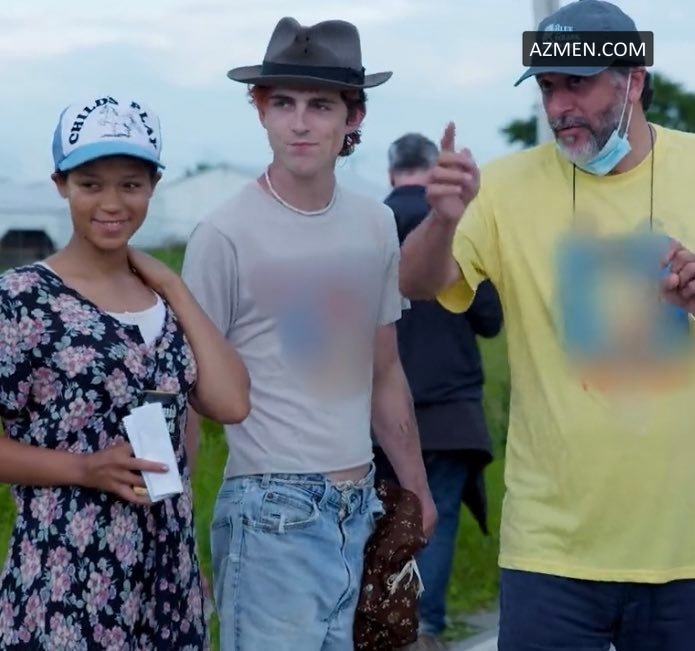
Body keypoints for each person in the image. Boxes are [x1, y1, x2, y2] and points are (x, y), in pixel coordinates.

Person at [397, 1, 695, 649]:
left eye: (577, 84)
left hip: (684, 547)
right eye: (547, 87)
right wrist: (442, 219)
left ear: (633, 80)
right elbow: (415, 282)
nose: (559, 106)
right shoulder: (504, 188)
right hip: (550, 549)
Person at [181, 16, 436, 651]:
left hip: (361, 506)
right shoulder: (223, 233)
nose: (300, 123)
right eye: (283, 103)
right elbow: (184, 391)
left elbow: (384, 368)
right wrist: (176, 522)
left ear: (353, 116)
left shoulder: (375, 224)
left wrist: (416, 487)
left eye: (320, 105)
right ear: (260, 110)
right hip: (269, 511)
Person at [0, 96, 250, 650]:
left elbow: (231, 403)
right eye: (90, 184)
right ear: (61, 184)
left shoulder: (163, 299)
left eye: (131, 185)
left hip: (168, 581)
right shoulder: (19, 300)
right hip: (64, 583)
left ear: (154, 185)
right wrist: (83, 467)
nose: (112, 203)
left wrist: (175, 287)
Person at [372, 133, 502, 650]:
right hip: (450, 412)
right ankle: (424, 628)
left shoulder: (366, 226)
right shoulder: (457, 225)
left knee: (382, 522)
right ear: (433, 172)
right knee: (436, 520)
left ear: (391, 173)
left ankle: (384, 629)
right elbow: (489, 319)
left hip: (375, 411)